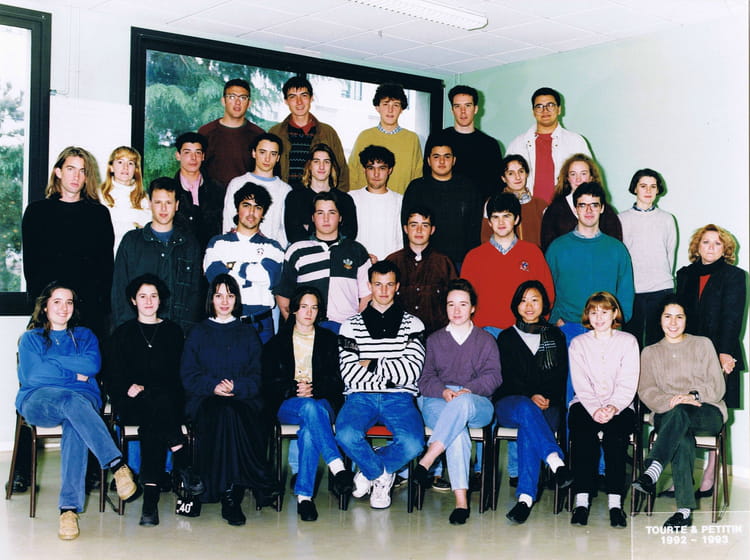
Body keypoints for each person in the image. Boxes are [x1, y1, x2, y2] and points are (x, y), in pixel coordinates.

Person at [16, 282, 139, 540]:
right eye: (57, 301)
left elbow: (91, 365)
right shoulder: (31, 338)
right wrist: (73, 374)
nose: (64, 307)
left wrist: (51, 361)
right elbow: (34, 376)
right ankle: (117, 465)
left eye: (69, 302)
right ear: (45, 306)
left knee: (76, 420)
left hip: (82, 400)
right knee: (72, 400)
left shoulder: (84, 336)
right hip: (39, 400)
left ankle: (68, 511)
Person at [180, 274, 280, 526]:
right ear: (210, 299)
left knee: (232, 412)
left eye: (230, 295)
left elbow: (257, 376)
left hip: (243, 399)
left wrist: (237, 386)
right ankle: (250, 482)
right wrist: (212, 387)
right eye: (218, 295)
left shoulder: (247, 332)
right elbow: (188, 374)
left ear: (237, 299)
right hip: (205, 399)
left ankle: (230, 492)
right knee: (224, 413)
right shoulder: (198, 332)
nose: (224, 301)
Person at [103, 273, 198, 526]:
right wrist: (126, 387)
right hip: (133, 403)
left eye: (153, 296)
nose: (148, 301)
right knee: (155, 409)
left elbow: (179, 374)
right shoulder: (122, 333)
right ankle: (180, 454)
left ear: (160, 300)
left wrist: (149, 388)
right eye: (142, 296)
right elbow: (112, 374)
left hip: (166, 402)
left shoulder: (173, 331)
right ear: (133, 300)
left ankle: (150, 502)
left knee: (155, 417)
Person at [335, 260, 426, 509]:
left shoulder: (414, 324)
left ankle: (369, 468)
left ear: (397, 286)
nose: (383, 290)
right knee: (345, 434)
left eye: (389, 285)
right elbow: (349, 374)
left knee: (413, 443)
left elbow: (411, 372)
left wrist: (372, 364)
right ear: (369, 286)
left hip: (399, 397)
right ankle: (381, 475)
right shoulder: (350, 325)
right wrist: (391, 369)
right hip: (360, 397)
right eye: (378, 284)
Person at [633, 295, 727, 528]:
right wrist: (671, 401)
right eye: (667, 316)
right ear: (659, 319)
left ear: (687, 319)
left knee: (681, 413)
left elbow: (717, 386)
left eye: (679, 317)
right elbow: (646, 390)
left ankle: (653, 469)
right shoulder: (650, 352)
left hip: (706, 411)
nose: (673, 323)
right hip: (668, 412)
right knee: (681, 434)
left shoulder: (703, 344)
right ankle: (684, 511)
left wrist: (692, 396)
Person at [414, 279, 502, 524]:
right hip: (438, 399)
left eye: (463, 304)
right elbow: (424, 378)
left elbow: (494, 376)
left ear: (472, 308)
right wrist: (443, 391)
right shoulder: (434, 340)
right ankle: (461, 502)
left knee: (461, 405)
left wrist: (469, 390)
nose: (456, 310)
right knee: (458, 433)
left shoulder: (486, 340)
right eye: (451, 304)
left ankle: (428, 458)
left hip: (475, 402)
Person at [262, 286, 354, 522]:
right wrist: (294, 389)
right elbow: (269, 383)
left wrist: (315, 389)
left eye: (314, 307)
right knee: (309, 409)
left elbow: (338, 380)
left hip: (321, 402)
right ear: (294, 309)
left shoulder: (329, 340)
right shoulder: (276, 342)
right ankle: (337, 467)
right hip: (288, 404)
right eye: (304, 307)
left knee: (311, 427)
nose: (309, 312)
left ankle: (304, 498)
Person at [675, 224, 746, 496]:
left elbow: (732, 316)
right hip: (688, 353)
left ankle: (711, 472)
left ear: (725, 249)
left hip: (720, 353)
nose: (711, 247)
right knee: (685, 410)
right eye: (706, 242)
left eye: (717, 243)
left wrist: (724, 352)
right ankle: (682, 475)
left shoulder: (734, 275)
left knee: (715, 410)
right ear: (697, 246)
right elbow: (678, 314)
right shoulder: (685, 274)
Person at [494, 280, 572, 524]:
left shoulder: (555, 336)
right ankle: (555, 461)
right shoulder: (506, 337)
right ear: (516, 305)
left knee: (530, 424)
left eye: (534, 300)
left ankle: (525, 499)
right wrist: (530, 396)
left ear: (544, 305)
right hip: (511, 403)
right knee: (527, 410)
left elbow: (560, 376)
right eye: (523, 300)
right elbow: (506, 378)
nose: (528, 306)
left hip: (548, 404)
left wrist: (546, 398)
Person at [22, 146, 114, 339]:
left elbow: (105, 267)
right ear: (58, 172)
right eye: (71, 169)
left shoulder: (99, 214)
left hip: (89, 311)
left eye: (82, 171)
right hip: (50, 310)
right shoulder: (36, 213)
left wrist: (102, 307)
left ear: (87, 177)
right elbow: (31, 265)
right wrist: (42, 306)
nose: (76, 176)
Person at [568, 292, 639, 528]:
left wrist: (613, 406)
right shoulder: (578, 344)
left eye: (604, 312)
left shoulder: (628, 341)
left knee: (614, 438)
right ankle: (581, 502)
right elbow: (580, 384)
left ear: (614, 313)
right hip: (585, 404)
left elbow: (628, 382)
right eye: (594, 312)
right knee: (583, 436)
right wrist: (594, 409)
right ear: (587, 315)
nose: (599, 317)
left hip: (620, 405)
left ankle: (615, 504)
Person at [112, 177, 203, 333]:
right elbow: (119, 290)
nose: (163, 209)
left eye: (168, 203)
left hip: (177, 332)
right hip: (137, 332)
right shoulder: (131, 242)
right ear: (149, 204)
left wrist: (186, 333)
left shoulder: (190, 244)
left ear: (177, 205)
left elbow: (195, 294)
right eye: (158, 202)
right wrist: (127, 331)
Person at [545, 181, 634, 339]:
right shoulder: (558, 248)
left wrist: (618, 321)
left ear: (602, 208)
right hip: (568, 327)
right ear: (575, 209)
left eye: (594, 205)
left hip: (607, 327)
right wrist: (555, 319)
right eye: (583, 205)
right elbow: (547, 287)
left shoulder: (616, 248)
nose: (589, 210)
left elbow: (626, 289)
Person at [276, 190, 371, 331]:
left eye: (332, 213)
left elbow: (366, 295)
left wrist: (355, 327)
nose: (326, 219)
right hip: (309, 329)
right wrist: (297, 327)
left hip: (345, 328)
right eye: (320, 213)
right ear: (313, 217)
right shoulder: (297, 250)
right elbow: (283, 295)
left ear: (340, 217)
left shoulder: (356, 250)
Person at [204, 182, 285, 343]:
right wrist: (253, 271)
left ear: (263, 213)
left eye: (257, 207)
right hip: (226, 321)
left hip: (260, 324)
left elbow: (270, 278)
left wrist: (234, 266)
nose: (251, 212)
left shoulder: (273, 247)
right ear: (237, 209)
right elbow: (214, 276)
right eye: (246, 205)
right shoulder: (218, 243)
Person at [462, 192, 554, 329]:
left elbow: (547, 294)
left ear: (516, 219)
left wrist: (536, 325)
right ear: (489, 222)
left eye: (506, 216)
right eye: (495, 217)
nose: (501, 222)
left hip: (523, 329)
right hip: (486, 330)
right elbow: (464, 298)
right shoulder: (474, 257)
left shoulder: (532, 252)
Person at [401, 134, 483, 267]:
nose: (442, 161)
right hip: (425, 260)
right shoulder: (416, 188)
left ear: (454, 160)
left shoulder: (468, 187)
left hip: (460, 261)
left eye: (447, 156)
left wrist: (473, 260)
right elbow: (407, 227)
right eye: (436, 157)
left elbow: (474, 229)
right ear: (428, 161)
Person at [619, 168, 677, 347]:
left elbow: (670, 254)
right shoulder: (621, 219)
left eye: (653, 186)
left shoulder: (667, 219)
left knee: (658, 344)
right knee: (632, 342)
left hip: (661, 289)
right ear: (635, 188)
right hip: (632, 291)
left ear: (658, 190)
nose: (648, 190)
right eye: (643, 186)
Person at [506, 87, 592, 204]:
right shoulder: (517, 144)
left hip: (566, 209)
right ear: (533, 112)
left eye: (550, 105)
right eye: (539, 106)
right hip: (527, 209)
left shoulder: (576, 142)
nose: (545, 110)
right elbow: (506, 183)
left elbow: (590, 182)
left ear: (559, 109)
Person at [269, 75, 348, 190]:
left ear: (311, 98)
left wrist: (336, 198)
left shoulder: (328, 133)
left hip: (320, 198)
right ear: (286, 101)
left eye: (304, 95)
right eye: (293, 97)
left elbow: (342, 172)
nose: (299, 102)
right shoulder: (275, 133)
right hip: (283, 197)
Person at [386, 207, 457, 335]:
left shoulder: (444, 263)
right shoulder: (392, 262)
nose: (419, 230)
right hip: (400, 336)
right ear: (405, 229)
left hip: (436, 336)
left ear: (432, 230)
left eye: (425, 225)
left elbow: (455, 300)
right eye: (414, 225)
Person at [427, 85, 503, 201]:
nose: (463, 111)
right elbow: (427, 177)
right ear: (452, 110)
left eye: (467, 105)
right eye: (457, 106)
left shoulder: (490, 145)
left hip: (478, 208)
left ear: (475, 109)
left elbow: (496, 185)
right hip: (442, 204)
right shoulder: (437, 139)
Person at [348, 83, 422, 195]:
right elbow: (352, 174)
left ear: (401, 109)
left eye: (396, 105)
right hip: (367, 201)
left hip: (401, 202)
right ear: (377, 107)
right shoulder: (365, 137)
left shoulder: (412, 139)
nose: (390, 110)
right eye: (385, 104)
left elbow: (417, 177)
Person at [540, 153, 622, 252]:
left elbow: (614, 246)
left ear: (591, 177)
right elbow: (548, 248)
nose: (578, 179)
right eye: (573, 174)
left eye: (583, 174)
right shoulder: (554, 210)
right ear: (567, 178)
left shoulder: (607, 211)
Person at [222, 132, 291, 247]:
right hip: (237, 250)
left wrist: (278, 252)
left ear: (278, 158)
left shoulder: (285, 190)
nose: (267, 158)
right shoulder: (237, 184)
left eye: (273, 154)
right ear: (254, 153)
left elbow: (284, 229)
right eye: (262, 152)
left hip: (271, 252)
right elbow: (228, 222)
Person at [284, 143, 358, 243]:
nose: (321, 167)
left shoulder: (345, 199)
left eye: (326, 162)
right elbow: (293, 235)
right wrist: (330, 231)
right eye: (316, 161)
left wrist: (309, 228)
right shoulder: (294, 197)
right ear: (309, 166)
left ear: (331, 166)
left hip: (337, 251)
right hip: (305, 251)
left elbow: (350, 233)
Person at [198, 78, 264, 188]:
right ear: (223, 101)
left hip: (246, 196)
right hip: (211, 196)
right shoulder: (206, 132)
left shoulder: (258, 135)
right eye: (232, 97)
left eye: (243, 98)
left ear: (249, 103)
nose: (237, 102)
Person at [348, 145, 403, 262]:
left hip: (390, 267)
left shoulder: (400, 201)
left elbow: (401, 239)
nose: (376, 174)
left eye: (382, 168)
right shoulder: (351, 198)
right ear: (364, 170)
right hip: (358, 265)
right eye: (371, 168)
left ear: (390, 170)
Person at [173, 132, 224, 251]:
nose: (193, 158)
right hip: (178, 253)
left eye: (198, 153)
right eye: (187, 152)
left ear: (203, 156)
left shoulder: (217, 189)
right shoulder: (170, 190)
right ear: (178, 155)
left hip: (211, 252)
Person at [98, 146, 151, 251]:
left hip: (135, 254)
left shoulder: (144, 198)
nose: (125, 167)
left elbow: (149, 230)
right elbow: (101, 230)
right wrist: (134, 226)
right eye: (120, 162)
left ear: (136, 169)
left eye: (130, 163)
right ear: (111, 167)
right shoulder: (98, 195)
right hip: (106, 254)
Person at [498, 154, 547, 247]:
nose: (517, 177)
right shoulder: (494, 204)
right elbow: (486, 238)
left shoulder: (541, 205)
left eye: (521, 171)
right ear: (503, 178)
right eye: (511, 173)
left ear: (527, 174)